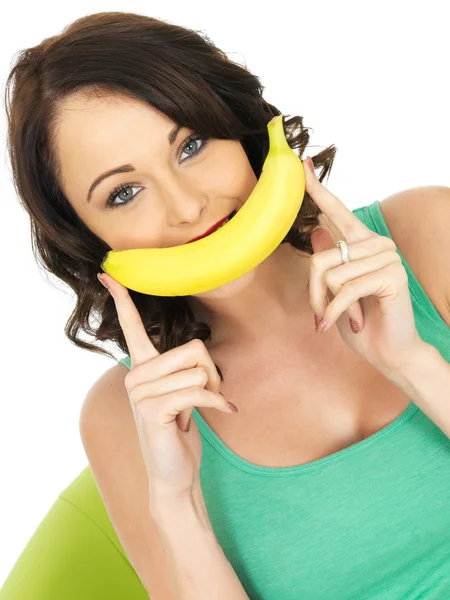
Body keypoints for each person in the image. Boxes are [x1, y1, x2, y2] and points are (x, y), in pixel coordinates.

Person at [2, 10, 450, 600]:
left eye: (190, 146)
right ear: (86, 238)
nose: (186, 207)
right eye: (124, 192)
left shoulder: (426, 233)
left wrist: (412, 361)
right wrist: (177, 499)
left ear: (241, 132)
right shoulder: (124, 417)